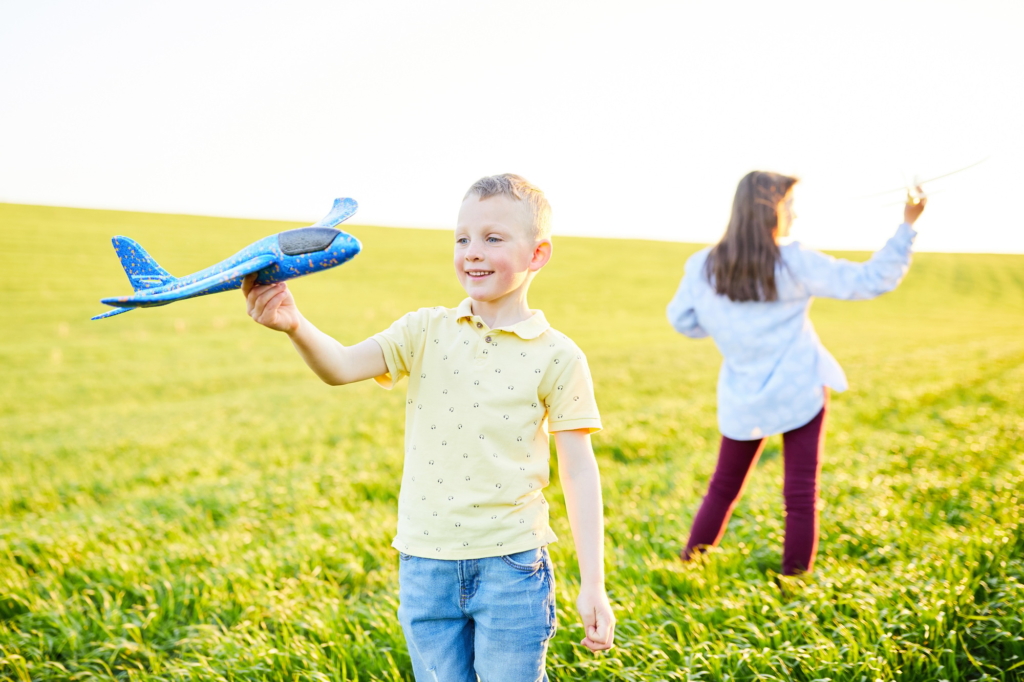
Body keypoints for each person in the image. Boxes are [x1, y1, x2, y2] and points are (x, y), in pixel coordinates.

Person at [243, 174, 615, 680]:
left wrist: (592, 583)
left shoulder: (558, 355)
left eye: (493, 238)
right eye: (462, 239)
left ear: (538, 254)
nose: (472, 252)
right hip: (424, 564)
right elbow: (340, 367)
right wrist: (294, 323)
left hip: (512, 566)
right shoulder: (424, 329)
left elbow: (579, 471)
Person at [667, 171, 926, 576]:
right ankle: (794, 581)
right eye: (790, 204)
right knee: (801, 493)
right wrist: (908, 224)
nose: (796, 214)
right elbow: (870, 279)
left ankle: (688, 564)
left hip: (743, 397)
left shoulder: (703, 265)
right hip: (801, 391)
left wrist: (726, 327)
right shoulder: (793, 259)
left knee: (723, 487)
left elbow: (683, 320)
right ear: (770, 210)